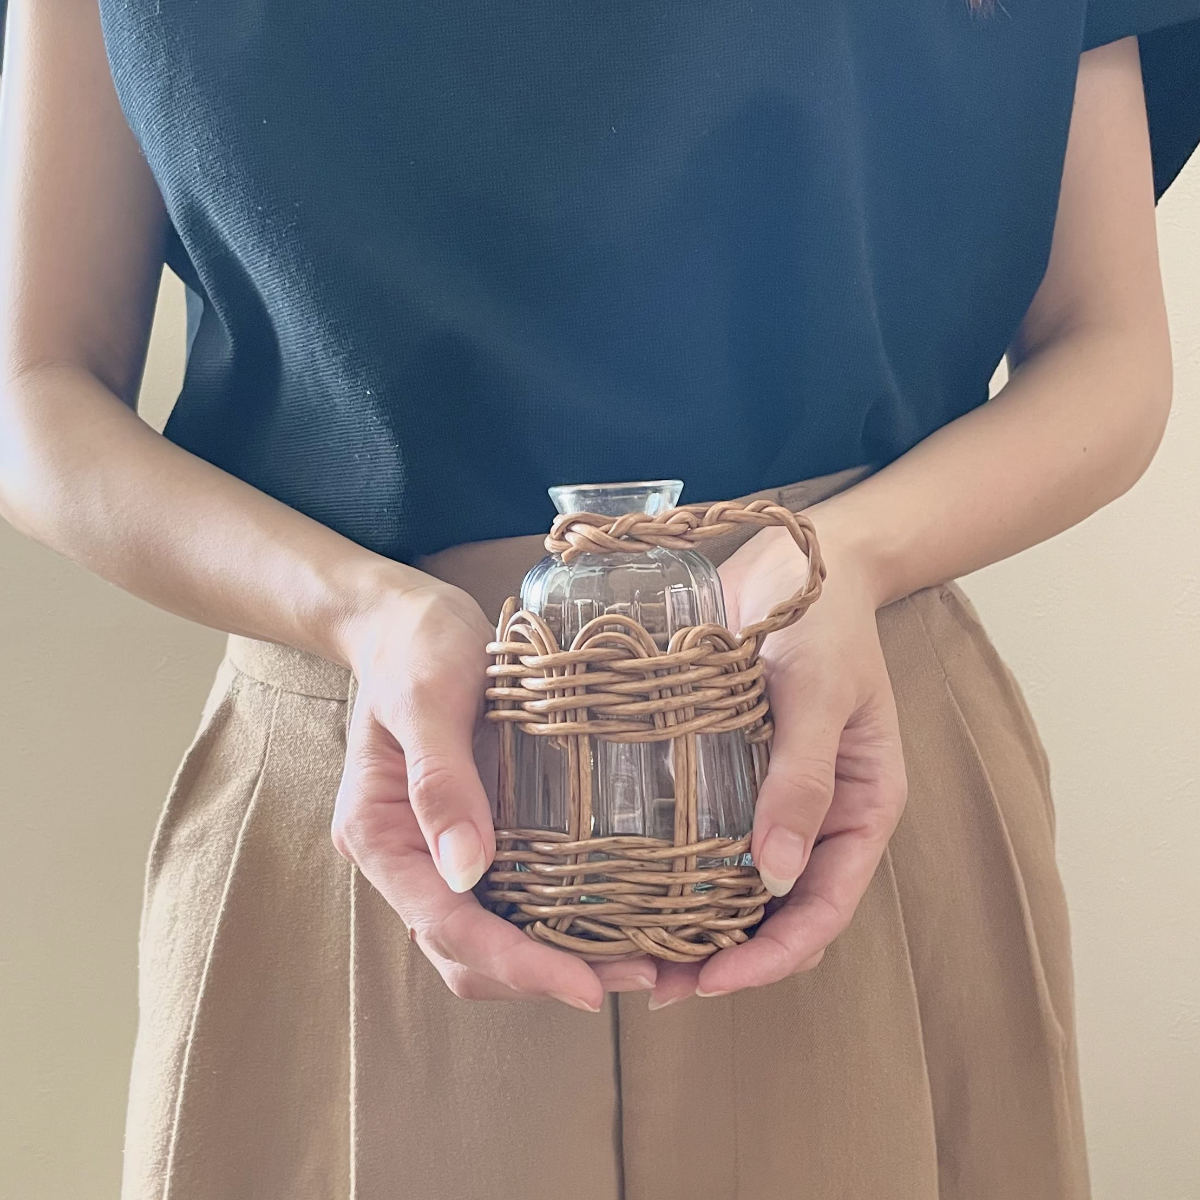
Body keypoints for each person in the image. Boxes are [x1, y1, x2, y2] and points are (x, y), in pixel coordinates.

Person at [2, 1, 1199, 1196]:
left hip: (844, 752)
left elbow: (1107, 347)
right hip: (361, 792)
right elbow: (35, 388)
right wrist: (356, 613)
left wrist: (845, 561)